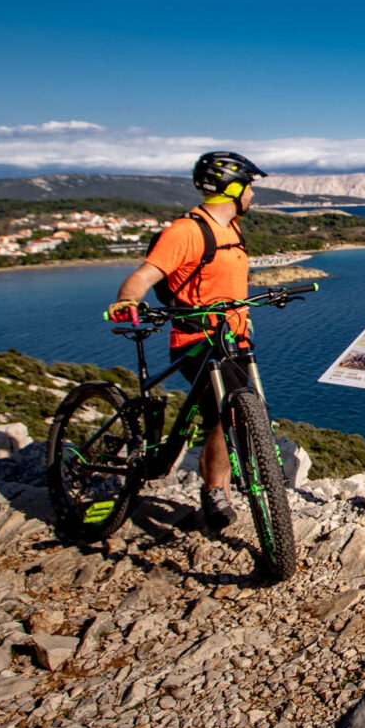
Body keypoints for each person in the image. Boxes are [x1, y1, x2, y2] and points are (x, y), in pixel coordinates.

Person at [109, 151, 267, 531]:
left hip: (231, 338)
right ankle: (215, 492)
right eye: (249, 187)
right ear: (233, 189)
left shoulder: (232, 230)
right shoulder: (185, 231)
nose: (253, 196)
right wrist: (127, 302)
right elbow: (144, 276)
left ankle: (217, 487)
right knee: (228, 410)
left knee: (222, 413)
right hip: (195, 338)